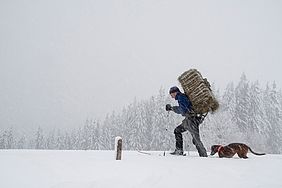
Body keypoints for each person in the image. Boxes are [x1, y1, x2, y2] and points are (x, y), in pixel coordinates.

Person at [166, 86, 208, 157]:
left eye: (171, 94)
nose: (171, 96)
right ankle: (179, 150)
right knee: (177, 131)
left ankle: (203, 155)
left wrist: (172, 108)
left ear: (175, 92)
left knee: (196, 139)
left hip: (191, 120)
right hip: (189, 120)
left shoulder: (181, 97)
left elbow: (182, 110)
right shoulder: (182, 97)